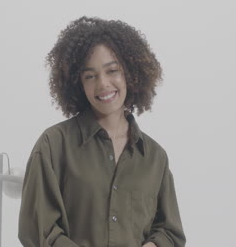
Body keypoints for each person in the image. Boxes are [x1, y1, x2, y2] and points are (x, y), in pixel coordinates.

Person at [18, 16, 186, 247]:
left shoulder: (155, 157)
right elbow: (38, 230)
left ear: (130, 73)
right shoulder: (53, 145)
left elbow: (170, 231)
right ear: (78, 84)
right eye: (90, 76)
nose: (103, 84)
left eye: (112, 71)